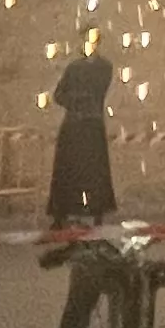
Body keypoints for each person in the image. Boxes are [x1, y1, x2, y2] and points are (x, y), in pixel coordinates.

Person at [47, 49, 118, 224]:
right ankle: (62, 212)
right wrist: (76, 101)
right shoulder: (74, 68)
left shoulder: (103, 67)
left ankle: (95, 210)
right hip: (74, 127)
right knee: (69, 171)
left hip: (91, 127)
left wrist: (81, 101)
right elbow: (59, 95)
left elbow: (98, 90)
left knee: (93, 171)